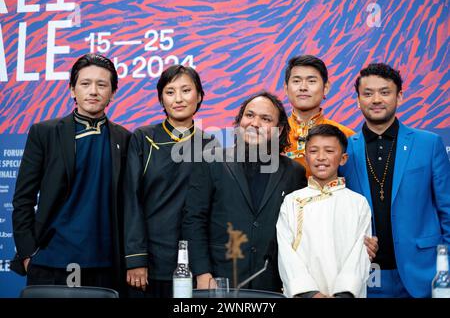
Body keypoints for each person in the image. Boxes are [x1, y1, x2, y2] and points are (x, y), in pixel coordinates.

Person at [11, 53, 131, 294]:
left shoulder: (125, 139)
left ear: (113, 93)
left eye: (102, 84)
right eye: (85, 84)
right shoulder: (44, 133)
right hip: (50, 260)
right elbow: (23, 198)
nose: (93, 91)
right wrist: (28, 253)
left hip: (105, 263)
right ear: (72, 90)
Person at [340, 63, 450, 298]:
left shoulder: (428, 144)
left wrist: (444, 267)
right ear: (358, 100)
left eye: (385, 92)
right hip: (366, 274)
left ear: (399, 97)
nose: (376, 99)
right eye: (367, 94)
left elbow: (447, 210)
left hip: (423, 272)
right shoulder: (345, 149)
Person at [182, 91, 307, 292]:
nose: (255, 123)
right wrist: (202, 273)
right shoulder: (210, 161)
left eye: (265, 119)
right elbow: (193, 220)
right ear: (240, 121)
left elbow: (302, 230)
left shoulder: (294, 172)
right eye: (249, 115)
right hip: (220, 281)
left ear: (279, 129)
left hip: (273, 283)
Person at [123, 65, 217, 298]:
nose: (178, 99)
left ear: (200, 96)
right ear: (161, 98)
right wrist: (136, 258)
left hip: (195, 262)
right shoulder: (143, 138)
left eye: (186, 90)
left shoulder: (210, 144)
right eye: (170, 91)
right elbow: (130, 199)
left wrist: (205, 266)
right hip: (150, 263)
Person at [277, 124, 372, 298]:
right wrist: (310, 293)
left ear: (343, 158)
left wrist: (344, 293)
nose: (321, 157)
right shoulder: (291, 201)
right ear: (305, 157)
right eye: (313, 151)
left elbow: (360, 253)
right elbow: (285, 252)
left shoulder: (358, 203)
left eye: (329, 151)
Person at [283, 55, 355, 176]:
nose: (303, 88)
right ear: (286, 88)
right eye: (296, 81)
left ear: (325, 88)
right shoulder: (273, 134)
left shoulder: (347, 136)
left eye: (311, 81)